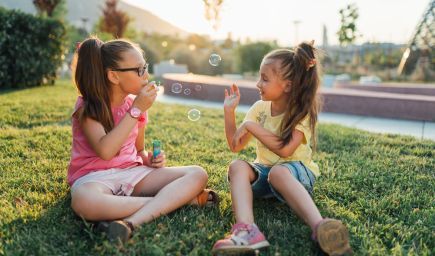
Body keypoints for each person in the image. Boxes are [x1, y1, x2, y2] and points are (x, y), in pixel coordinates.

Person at [68, 36, 218, 243]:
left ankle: (130, 222)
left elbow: (138, 151)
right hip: (94, 178)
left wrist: (149, 160)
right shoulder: (88, 106)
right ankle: (176, 201)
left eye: (145, 67)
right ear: (113, 76)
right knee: (85, 201)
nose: (146, 75)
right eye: (139, 70)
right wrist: (136, 109)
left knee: (197, 173)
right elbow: (106, 151)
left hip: (133, 174)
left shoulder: (136, 105)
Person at [212, 41, 352, 255]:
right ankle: (247, 231)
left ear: (287, 85)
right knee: (237, 166)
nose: (258, 83)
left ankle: (321, 227)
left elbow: (285, 150)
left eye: (265, 79)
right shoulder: (259, 109)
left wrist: (251, 126)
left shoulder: (300, 112)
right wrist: (229, 113)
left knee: (278, 172)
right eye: (260, 77)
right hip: (265, 174)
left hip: (296, 174)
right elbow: (235, 145)